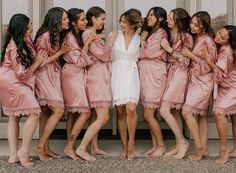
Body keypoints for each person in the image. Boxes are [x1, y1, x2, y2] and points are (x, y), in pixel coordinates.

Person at [0, 14, 47, 166]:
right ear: (21, 27)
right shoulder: (15, 44)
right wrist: (38, 62)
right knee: (35, 113)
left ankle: (14, 155)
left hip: (9, 80)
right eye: (29, 25)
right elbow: (21, 73)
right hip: (13, 82)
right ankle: (23, 151)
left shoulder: (24, 40)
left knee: (15, 116)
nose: (32, 27)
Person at [75, 6, 117, 161]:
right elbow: (104, 55)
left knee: (96, 115)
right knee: (103, 116)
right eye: (102, 19)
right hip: (97, 78)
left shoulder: (93, 35)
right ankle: (81, 148)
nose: (103, 22)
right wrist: (111, 42)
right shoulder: (88, 33)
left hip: (100, 76)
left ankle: (94, 147)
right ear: (93, 19)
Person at [34, 7, 71, 161]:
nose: (67, 21)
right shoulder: (45, 36)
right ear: (56, 20)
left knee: (46, 113)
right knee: (59, 110)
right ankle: (40, 145)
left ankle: (46, 148)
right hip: (44, 76)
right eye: (64, 19)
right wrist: (61, 52)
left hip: (53, 76)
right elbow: (40, 63)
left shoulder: (56, 35)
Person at [181, 11, 217, 161]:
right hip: (195, 79)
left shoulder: (208, 41)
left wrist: (190, 55)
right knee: (201, 114)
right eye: (192, 23)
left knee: (186, 111)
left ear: (204, 25)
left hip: (204, 81)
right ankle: (205, 148)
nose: (192, 26)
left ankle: (198, 148)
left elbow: (211, 66)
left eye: (196, 24)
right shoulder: (197, 38)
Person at [62, 8, 96, 160]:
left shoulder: (76, 36)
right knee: (85, 112)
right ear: (74, 22)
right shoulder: (70, 38)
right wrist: (88, 44)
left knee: (73, 112)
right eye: (82, 19)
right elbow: (81, 61)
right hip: (73, 75)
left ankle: (71, 145)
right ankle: (70, 147)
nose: (86, 22)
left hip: (73, 74)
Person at [160, 8, 193, 159]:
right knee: (174, 111)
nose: (168, 20)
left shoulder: (186, 37)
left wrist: (169, 49)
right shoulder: (168, 33)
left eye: (171, 19)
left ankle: (183, 142)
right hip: (170, 72)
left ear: (178, 21)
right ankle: (178, 144)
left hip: (180, 73)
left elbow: (187, 61)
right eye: (168, 18)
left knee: (164, 109)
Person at [111, 9, 142, 160]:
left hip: (132, 74)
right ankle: (124, 146)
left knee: (131, 108)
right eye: (121, 21)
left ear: (132, 23)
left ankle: (131, 143)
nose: (121, 24)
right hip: (117, 73)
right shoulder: (114, 35)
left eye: (124, 21)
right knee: (121, 112)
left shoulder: (140, 37)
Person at [138, 6, 169, 158]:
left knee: (148, 114)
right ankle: (155, 145)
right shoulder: (153, 32)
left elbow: (148, 52)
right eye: (148, 14)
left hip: (155, 75)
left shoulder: (161, 33)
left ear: (161, 18)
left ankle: (161, 145)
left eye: (152, 15)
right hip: (147, 74)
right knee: (149, 113)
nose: (148, 17)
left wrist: (142, 41)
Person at [204, 25, 236, 164]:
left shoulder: (227, 52)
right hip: (225, 86)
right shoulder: (219, 47)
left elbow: (221, 75)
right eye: (219, 33)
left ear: (229, 41)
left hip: (232, 87)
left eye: (222, 37)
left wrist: (209, 62)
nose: (218, 37)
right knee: (234, 117)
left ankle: (223, 150)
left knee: (218, 113)